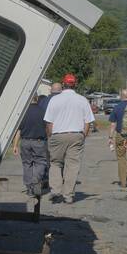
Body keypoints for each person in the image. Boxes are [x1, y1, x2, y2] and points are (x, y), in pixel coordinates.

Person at [43, 73, 95, 203]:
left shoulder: (54, 100)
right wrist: (83, 135)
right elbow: (88, 121)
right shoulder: (82, 100)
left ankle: (55, 190)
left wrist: (50, 136)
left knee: (55, 163)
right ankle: (68, 195)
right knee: (72, 166)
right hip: (76, 134)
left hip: (58, 134)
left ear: (63, 84)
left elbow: (49, 122)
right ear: (75, 84)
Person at [11, 82, 51, 198]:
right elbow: (48, 127)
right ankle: (36, 179)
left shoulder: (22, 113)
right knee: (41, 162)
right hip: (39, 142)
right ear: (37, 98)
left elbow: (18, 130)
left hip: (25, 142)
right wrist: (48, 138)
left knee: (27, 164)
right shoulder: (43, 111)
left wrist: (15, 145)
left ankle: (29, 187)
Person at [109, 88, 127, 186]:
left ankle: (123, 182)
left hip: (120, 135)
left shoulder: (116, 107)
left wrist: (110, 137)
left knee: (121, 158)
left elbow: (113, 124)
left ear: (120, 97)